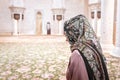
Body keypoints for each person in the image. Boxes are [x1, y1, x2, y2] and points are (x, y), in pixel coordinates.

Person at [64, 14, 109, 80]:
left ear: (75, 33)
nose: (67, 39)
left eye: (68, 35)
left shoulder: (77, 55)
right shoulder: (93, 47)